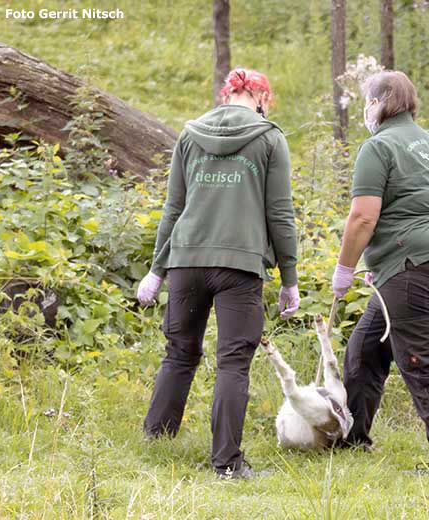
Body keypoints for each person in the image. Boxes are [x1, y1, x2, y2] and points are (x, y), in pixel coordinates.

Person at [136, 68, 300, 478]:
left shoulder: (190, 135)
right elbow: (280, 214)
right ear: (261, 96)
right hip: (239, 265)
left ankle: (156, 440)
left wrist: (156, 271)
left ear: (228, 94)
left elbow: (173, 209)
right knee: (232, 363)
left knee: (179, 353)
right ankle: (226, 464)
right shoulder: (269, 138)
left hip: (186, 261)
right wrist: (290, 279)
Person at [331, 70, 429, 474]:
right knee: (365, 350)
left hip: (414, 268)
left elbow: (362, 218)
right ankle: (351, 440)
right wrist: (387, 265)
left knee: (420, 364)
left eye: (368, 101)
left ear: (378, 103)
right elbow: (424, 207)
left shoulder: (378, 147)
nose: (366, 109)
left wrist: (345, 268)